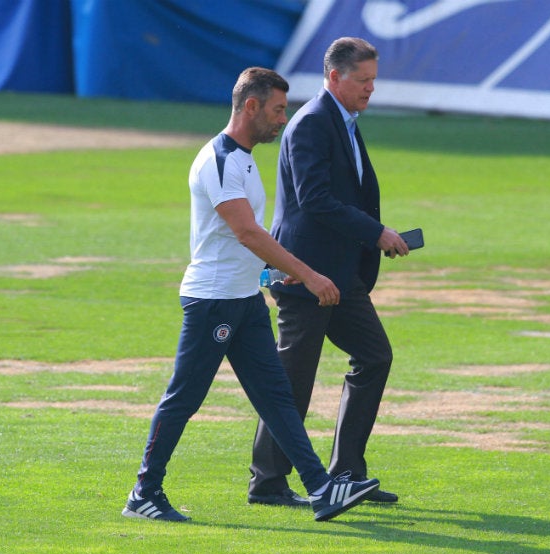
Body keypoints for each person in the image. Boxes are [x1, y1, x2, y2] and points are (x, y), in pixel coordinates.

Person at [122, 67, 380, 523]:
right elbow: (245, 232)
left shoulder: (243, 158)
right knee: (184, 397)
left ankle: (321, 488)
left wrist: (269, 278)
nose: (283, 119)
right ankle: (144, 491)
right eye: (278, 110)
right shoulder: (219, 160)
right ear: (252, 106)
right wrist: (307, 273)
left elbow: (239, 240)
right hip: (214, 301)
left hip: (243, 299)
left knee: (277, 397)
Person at [248, 38, 409, 507]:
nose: (371, 88)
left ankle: (345, 472)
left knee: (375, 356)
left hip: (340, 274)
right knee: (292, 380)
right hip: (303, 273)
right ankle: (267, 483)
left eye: (374, 80)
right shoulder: (313, 123)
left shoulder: (343, 121)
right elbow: (315, 199)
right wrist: (376, 232)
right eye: (363, 80)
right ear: (335, 77)